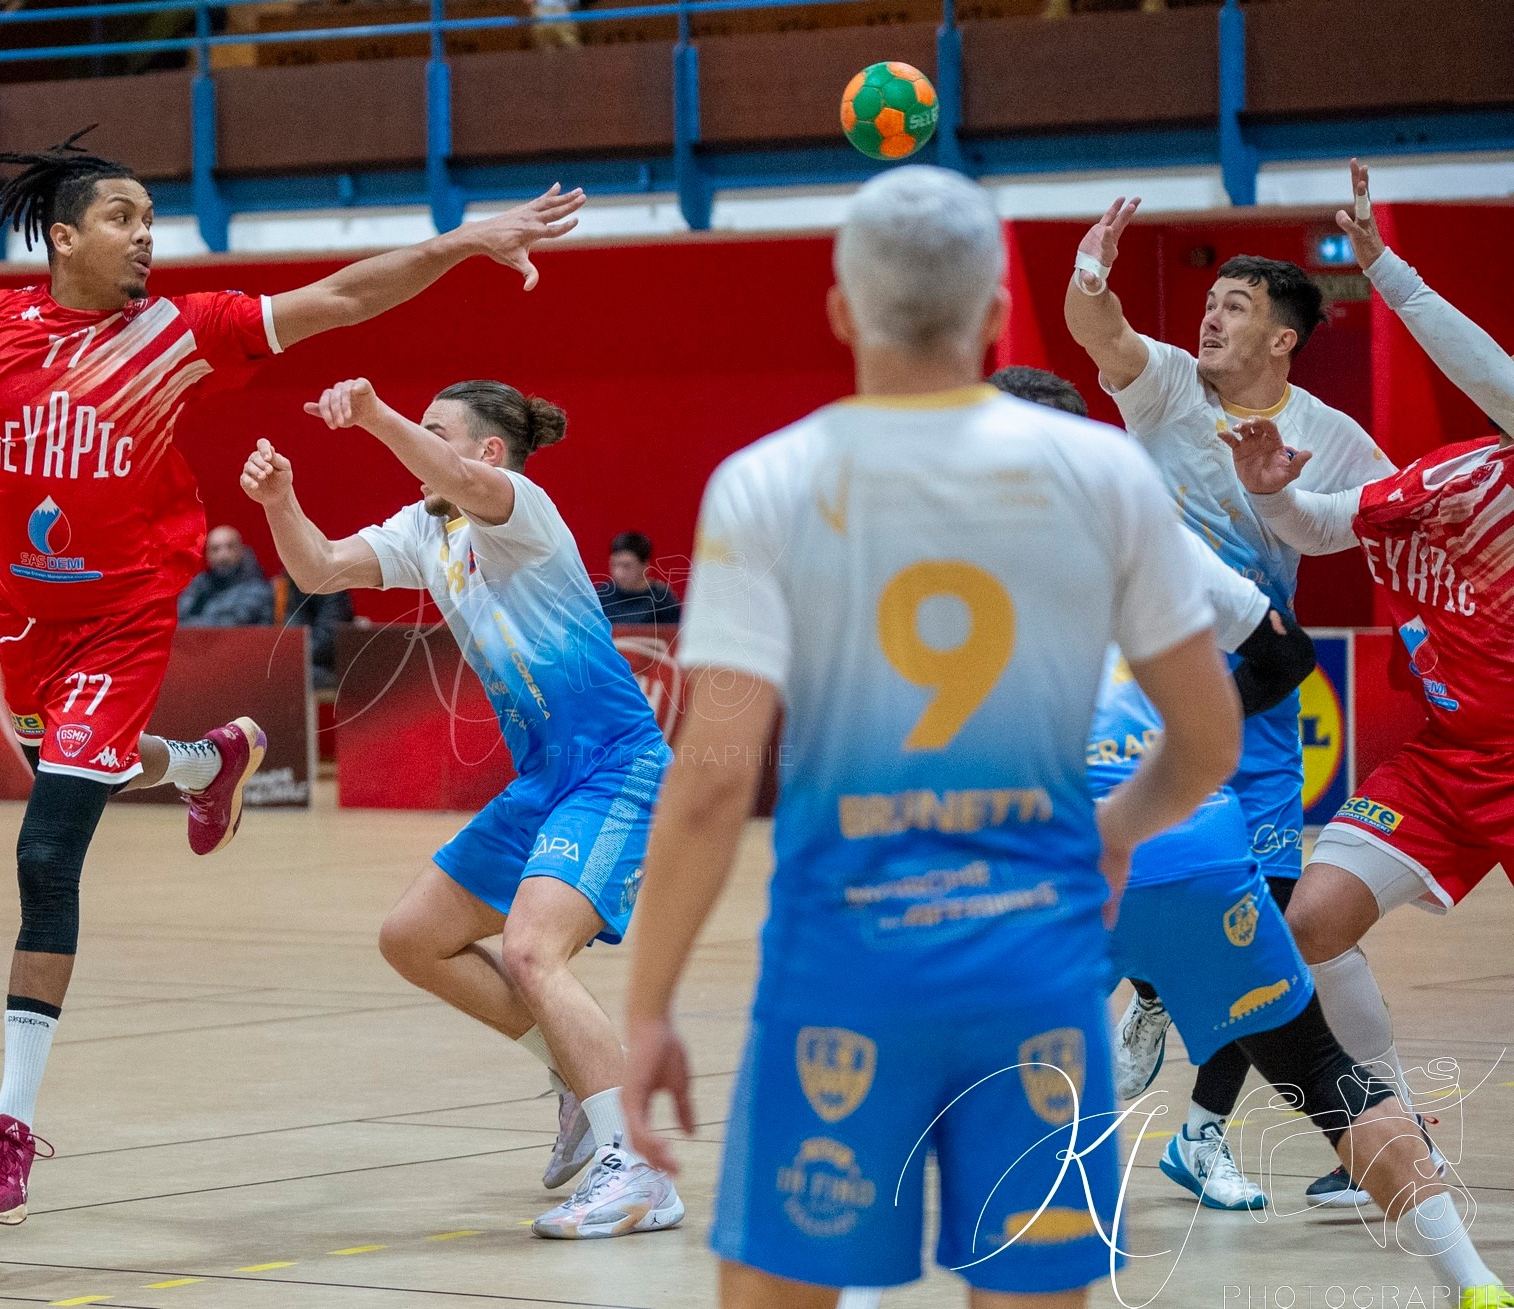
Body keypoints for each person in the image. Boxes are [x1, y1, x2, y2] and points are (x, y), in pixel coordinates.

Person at [0, 125, 587, 1226]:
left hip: (122, 619)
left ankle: (7, 1126)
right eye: (124, 218)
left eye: (150, 218)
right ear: (65, 235)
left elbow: (340, 295)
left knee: (46, 847)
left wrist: (462, 240)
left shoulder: (181, 332)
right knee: (67, 763)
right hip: (29, 622)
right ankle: (205, 759)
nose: (145, 237)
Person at [623, 165, 1242, 1306]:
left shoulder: (765, 484)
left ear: (839, 309)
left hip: (837, 980)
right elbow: (1208, 740)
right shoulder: (1100, 471)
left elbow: (709, 785)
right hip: (1038, 973)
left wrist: (648, 1005)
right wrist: (1113, 832)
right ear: (997, 316)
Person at [977, 370, 1508, 1309]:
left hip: (1055, 860)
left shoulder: (931, 556)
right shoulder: (1151, 545)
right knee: (1323, 1071)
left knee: (950, 1076)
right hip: (1195, 852)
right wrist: (1179, 723)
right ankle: (1471, 1282)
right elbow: (1284, 652)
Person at [240, 377, 683, 1239]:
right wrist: (280, 501)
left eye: (435, 433)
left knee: (529, 949)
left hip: (612, 768)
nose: (418, 452)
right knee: (410, 936)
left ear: (483, 452)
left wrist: (371, 416)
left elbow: (463, 479)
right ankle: (569, 1071)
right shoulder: (425, 529)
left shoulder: (519, 507)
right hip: (540, 779)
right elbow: (320, 567)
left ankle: (639, 1171)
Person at [1062, 187, 1399, 1208]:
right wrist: (1088, 275)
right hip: (1134, 683)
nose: (1208, 315)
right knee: (1160, 886)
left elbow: (1388, 518)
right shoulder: (1165, 384)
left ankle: (1195, 1107)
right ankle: (1158, 1009)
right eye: (1207, 299)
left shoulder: (1328, 434)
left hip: (1250, 687)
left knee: (1264, 909)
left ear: (1282, 338)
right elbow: (1104, 331)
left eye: (1234, 305)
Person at [1219, 160, 1514, 1236]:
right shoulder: (1446, 481)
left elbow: (1485, 367)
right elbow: (1317, 524)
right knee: (1308, 924)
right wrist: (1272, 492)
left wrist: (1385, 268)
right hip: (1444, 762)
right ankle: (1393, 1131)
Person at [177, 526, 274, 627]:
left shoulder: (258, 588)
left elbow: (231, 623)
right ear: (207, 554)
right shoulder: (200, 584)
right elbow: (179, 616)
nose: (222, 555)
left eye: (230, 547)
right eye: (215, 549)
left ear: (240, 550)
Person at [283, 576, 355, 690]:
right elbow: (293, 633)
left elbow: (326, 641)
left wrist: (292, 655)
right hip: (302, 662)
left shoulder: (334, 589)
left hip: (330, 666)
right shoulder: (292, 586)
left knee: (288, 675)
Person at [595, 532, 681, 625]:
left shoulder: (661, 598)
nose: (619, 573)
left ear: (644, 566)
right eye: (614, 565)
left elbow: (672, 634)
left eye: (626, 566)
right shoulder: (602, 595)